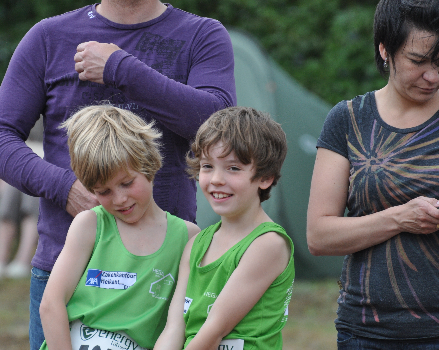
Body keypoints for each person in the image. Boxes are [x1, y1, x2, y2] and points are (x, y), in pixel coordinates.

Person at [0, 1, 236, 348]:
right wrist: (65, 187)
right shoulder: (48, 37)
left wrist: (121, 69)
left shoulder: (201, 34)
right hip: (67, 270)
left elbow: (220, 128)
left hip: (166, 272)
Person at [306, 0, 439, 348]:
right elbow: (319, 236)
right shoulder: (349, 119)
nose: (433, 76)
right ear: (385, 50)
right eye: (418, 61)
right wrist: (401, 218)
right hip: (364, 332)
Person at [38, 105, 200, 350]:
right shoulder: (90, 224)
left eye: (126, 183)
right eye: (104, 191)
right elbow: (51, 304)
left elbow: (181, 324)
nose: (120, 199)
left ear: (149, 165)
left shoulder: (188, 236)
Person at [154, 107, 295, 350]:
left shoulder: (268, 244)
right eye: (207, 166)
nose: (217, 179)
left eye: (233, 168)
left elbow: (213, 331)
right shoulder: (196, 244)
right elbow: (174, 328)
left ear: (266, 177)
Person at [0, 120, 44, 280]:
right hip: (19, 160)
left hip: (47, 162)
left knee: (32, 204)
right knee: (6, 202)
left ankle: (23, 260)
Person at [0, 178, 39, 280]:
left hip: (46, 171)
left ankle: (23, 261)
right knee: (7, 192)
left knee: (32, 199)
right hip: (20, 170)